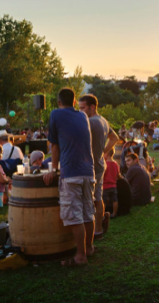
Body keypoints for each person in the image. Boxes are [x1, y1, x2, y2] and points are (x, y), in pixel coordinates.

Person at [43, 88, 95, 266]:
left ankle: (80, 256)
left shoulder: (55, 114)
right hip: (89, 172)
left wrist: (53, 169)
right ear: (74, 102)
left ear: (59, 102)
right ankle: (89, 248)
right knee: (88, 213)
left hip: (71, 173)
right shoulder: (83, 116)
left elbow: (54, 146)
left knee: (75, 216)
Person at [78, 94, 119, 239]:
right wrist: (103, 152)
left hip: (90, 166)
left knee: (89, 200)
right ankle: (98, 230)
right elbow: (115, 138)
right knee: (98, 198)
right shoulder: (103, 120)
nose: (80, 111)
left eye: (83, 108)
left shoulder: (90, 122)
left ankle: (90, 232)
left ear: (92, 107)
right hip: (100, 164)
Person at [102, 148, 121, 217]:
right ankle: (114, 213)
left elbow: (102, 175)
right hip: (113, 186)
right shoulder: (115, 164)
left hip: (105, 186)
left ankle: (102, 214)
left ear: (106, 154)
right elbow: (118, 175)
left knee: (103, 201)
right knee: (115, 200)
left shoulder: (105, 164)